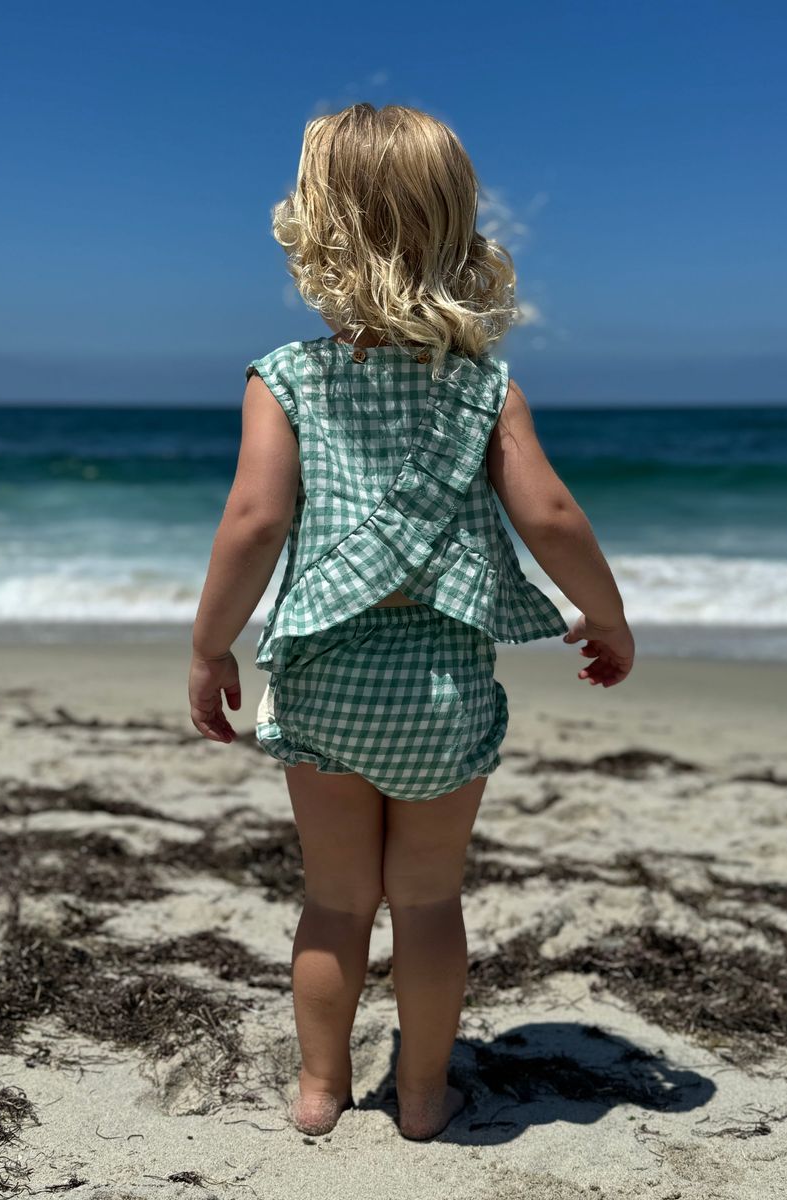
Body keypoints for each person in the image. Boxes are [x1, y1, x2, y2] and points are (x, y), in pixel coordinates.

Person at [189, 102, 635, 1142]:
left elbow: (254, 522)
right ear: (452, 230)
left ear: (315, 229)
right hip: (439, 687)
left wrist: (211, 645)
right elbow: (551, 515)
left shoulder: (286, 377)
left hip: (330, 682)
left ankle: (320, 1089)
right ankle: (426, 1097)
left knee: (337, 901)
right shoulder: (484, 382)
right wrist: (605, 614)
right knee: (429, 903)